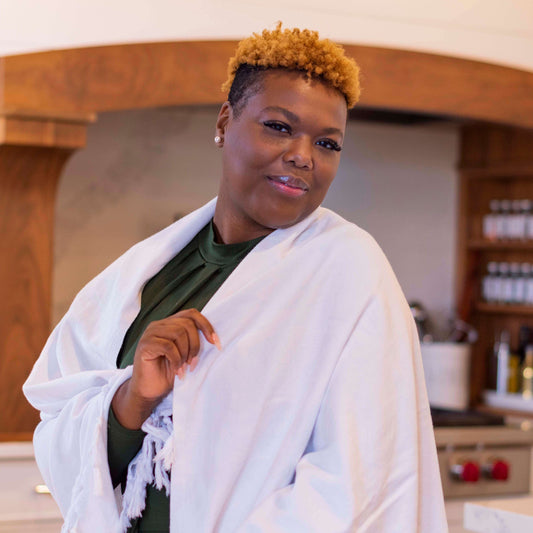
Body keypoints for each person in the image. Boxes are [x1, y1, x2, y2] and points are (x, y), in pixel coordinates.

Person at [24, 24, 447, 533]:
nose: (303, 155)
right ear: (225, 121)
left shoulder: (351, 274)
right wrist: (134, 398)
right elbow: (61, 441)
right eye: (279, 126)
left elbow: (360, 484)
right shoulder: (145, 277)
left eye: (328, 142)